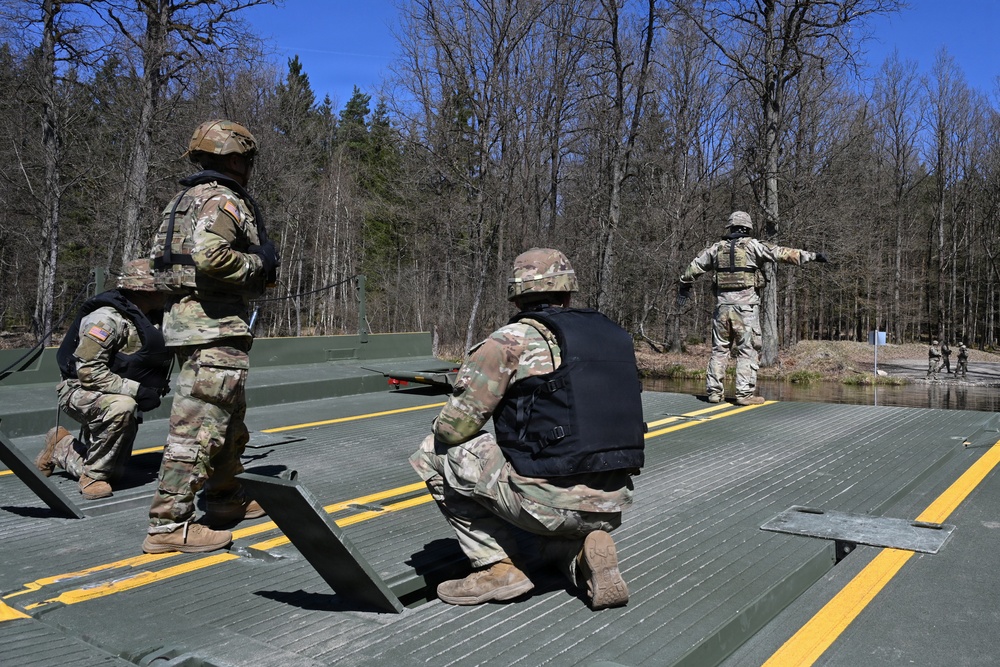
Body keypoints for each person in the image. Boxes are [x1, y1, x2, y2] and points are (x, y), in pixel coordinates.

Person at [410, 248, 645, 610]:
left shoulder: (509, 341)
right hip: (613, 501)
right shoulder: (611, 336)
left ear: (518, 295)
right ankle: (580, 556)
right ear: (568, 293)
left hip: (547, 502)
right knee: (550, 532)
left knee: (434, 451)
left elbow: (454, 430)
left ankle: (496, 567)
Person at [143, 119, 279, 554]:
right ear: (236, 158)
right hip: (213, 324)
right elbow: (209, 255)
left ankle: (224, 497)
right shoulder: (222, 200)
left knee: (228, 419)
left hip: (192, 322)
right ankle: (168, 523)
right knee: (200, 426)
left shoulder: (183, 200)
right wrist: (259, 265)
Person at [35, 259, 170, 499]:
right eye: (162, 287)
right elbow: (88, 371)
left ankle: (61, 445)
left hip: (113, 391)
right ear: (143, 290)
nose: (167, 293)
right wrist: (137, 391)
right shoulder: (106, 319)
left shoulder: (153, 317)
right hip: (79, 391)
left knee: (117, 473)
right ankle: (92, 476)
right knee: (122, 408)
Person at [677, 211, 828, 405]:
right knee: (747, 350)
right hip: (745, 310)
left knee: (719, 350)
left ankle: (714, 393)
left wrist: (684, 286)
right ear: (747, 228)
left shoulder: (716, 249)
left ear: (730, 227)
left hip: (722, 308)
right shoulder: (753, 246)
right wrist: (813, 256)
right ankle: (744, 395)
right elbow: (782, 253)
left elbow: (694, 267)